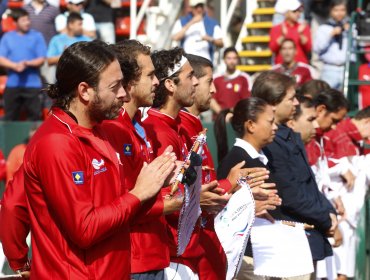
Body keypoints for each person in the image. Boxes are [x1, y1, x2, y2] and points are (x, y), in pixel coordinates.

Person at [22, 40, 176, 279]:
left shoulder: (103, 131)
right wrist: (138, 193)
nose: (124, 94)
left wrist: (155, 184)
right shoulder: (56, 143)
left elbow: (121, 212)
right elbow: (85, 229)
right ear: (84, 91)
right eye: (115, 87)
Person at [180, 54, 274, 280]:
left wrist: (244, 200)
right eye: (208, 81)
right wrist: (237, 195)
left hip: (209, 251)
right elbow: (178, 199)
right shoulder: (176, 130)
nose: (213, 90)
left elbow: (211, 196)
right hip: (187, 256)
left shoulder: (195, 129)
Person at [101, 40, 184, 279]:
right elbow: (119, 201)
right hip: (133, 259)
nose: (156, 82)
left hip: (154, 253)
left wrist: (169, 178)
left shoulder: (139, 126)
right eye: (150, 75)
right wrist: (166, 204)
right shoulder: (111, 129)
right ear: (128, 83)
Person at [252, 71, 337, 272]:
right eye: (291, 99)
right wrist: (326, 219)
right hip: (289, 241)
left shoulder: (288, 136)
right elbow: (290, 194)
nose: (296, 103)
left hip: (305, 237)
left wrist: (329, 213)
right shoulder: (270, 142)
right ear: (273, 103)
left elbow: (309, 184)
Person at [216, 97, 284, 280]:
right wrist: (251, 208)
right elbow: (221, 213)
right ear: (251, 125)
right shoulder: (238, 163)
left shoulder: (263, 159)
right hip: (247, 257)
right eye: (270, 122)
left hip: (263, 254)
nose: (275, 127)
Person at [325, 107, 370, 280]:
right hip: (337, 213)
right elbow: (316, 163)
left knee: (343, 272)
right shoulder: (339, 131)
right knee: (335, 271)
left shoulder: (358, 140)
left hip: (351, 215)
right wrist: (342, 168)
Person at [0, 8, 46, 121]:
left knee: (34, 117)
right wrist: (14, 66)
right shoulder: (7, 37)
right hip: (12, 84)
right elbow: (1, 58)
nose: (27, 22)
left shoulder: (37, 36)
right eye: (23, 20)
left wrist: (28, 63)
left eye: (28, 19)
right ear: (15, 22)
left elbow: (41, 59)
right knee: (10, 118)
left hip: (32, 85)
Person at [314, 0, 349, 90]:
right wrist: (330, 35)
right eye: (336, 10)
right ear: (331, 11)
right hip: (330, 68)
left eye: (342, 10)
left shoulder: (350, 28)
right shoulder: (324, 28)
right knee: (328, 97)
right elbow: (317, 49)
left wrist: (349, 32)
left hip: (346, 68)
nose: (339, 13)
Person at [211, 47, 251, 115]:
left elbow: (247, 102)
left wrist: (234, 115)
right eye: (229, 58)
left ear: (238, 60)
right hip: (218, 120)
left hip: (237, 119)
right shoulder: (216, 78)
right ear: (224, 60)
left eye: (234, 58)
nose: (232, 61)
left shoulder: (244, 78)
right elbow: (211, 100)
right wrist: (223, 115)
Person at [269, 0, 311, 64]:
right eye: (294, 11)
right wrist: (282, 36)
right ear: (286, 13)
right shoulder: (277, 28)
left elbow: (308, 48)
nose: (298, 13)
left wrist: (301, 34)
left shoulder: (303, 27)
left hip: (300, 68)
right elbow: (273, 48)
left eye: (299, 11)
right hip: (281, 68)